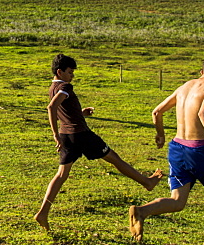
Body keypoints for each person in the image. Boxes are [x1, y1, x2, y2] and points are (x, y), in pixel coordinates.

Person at [34, 54, 162, 232]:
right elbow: (52, 108)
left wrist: (81, 113)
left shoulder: (53, 87)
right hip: (81, 135)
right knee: (114, 158)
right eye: (70, 72)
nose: (72, 76)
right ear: (60, 71)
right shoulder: (65, 87)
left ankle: (43, 212)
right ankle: (147, 182)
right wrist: (54, 134)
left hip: (67, 135)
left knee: (61, 175)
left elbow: (64, 111)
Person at [128, 54, 204, 245]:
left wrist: (160, 134)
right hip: (200, 150)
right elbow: (203, 114)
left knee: (178, 201)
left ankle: (142, 212)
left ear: (202, 71)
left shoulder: (185, 86)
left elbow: (156, 112)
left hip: (177, 147)